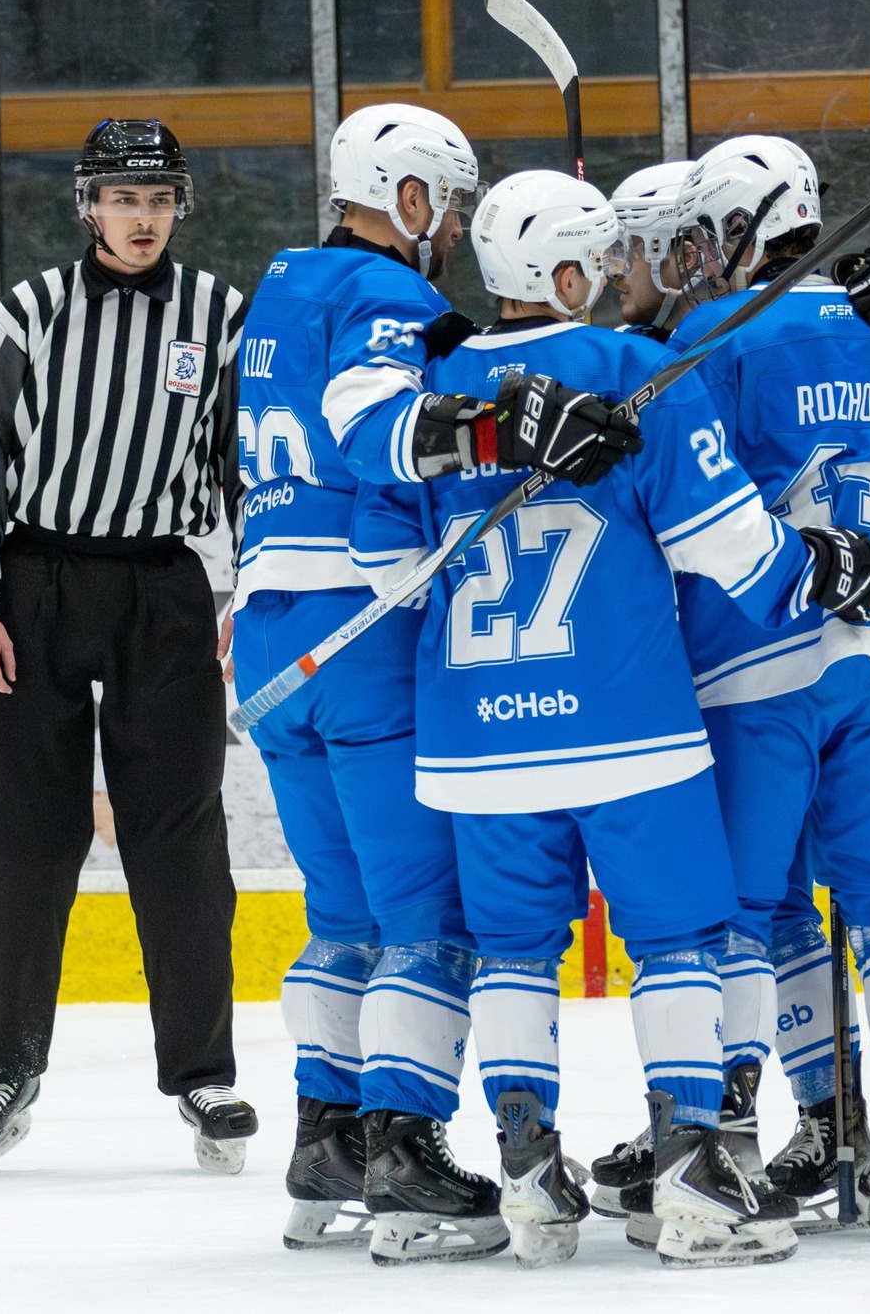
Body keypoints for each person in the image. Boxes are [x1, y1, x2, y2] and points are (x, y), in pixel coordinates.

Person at [349, 168, 870, 1268]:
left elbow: (385, 566)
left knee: (512, 950)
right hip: (627, 730)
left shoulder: (435, 394)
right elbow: (733, 550)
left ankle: (528, 1175)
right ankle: (692, 1175)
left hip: (479, 744)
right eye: (597, 257)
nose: (612, 273)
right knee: (680, 940)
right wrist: (824, 566)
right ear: (561, 270)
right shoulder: (637, 372)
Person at [649, 135, 870, 1243]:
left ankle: (733, 1134)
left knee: (747, 912)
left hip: (752, 660)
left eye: (706, 234)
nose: (697, 257)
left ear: (742, 227)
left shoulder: (714, 335)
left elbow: (673, 510)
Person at [228, 102, 552, 1262]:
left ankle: (327, 1142)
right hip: (358, 629)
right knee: (428, 918)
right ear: (406, 194)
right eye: (447, 205)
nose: (454, 229)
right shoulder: (387, 295)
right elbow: (371, 427)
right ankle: (405, 1153)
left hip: (268, 636)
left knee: (344, 916)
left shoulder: (277, 290)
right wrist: (492, 414)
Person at [0, 119, 254, 1179]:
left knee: (182, 835)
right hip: (35, 585)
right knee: (29, 831)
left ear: (178, 206)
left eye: (159, 199)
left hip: (164, 586)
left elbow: (246, 467)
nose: (142, 218)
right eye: (124, 199)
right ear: (88, 206)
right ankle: (4, 1067)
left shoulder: (220, 317)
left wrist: (251, 587)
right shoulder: (27, 313)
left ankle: (204, 1073)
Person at [607, 160, 695, 341]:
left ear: (685, 258)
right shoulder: (623, 343)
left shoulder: (731, 345)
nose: (614, 273)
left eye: (629, 255)